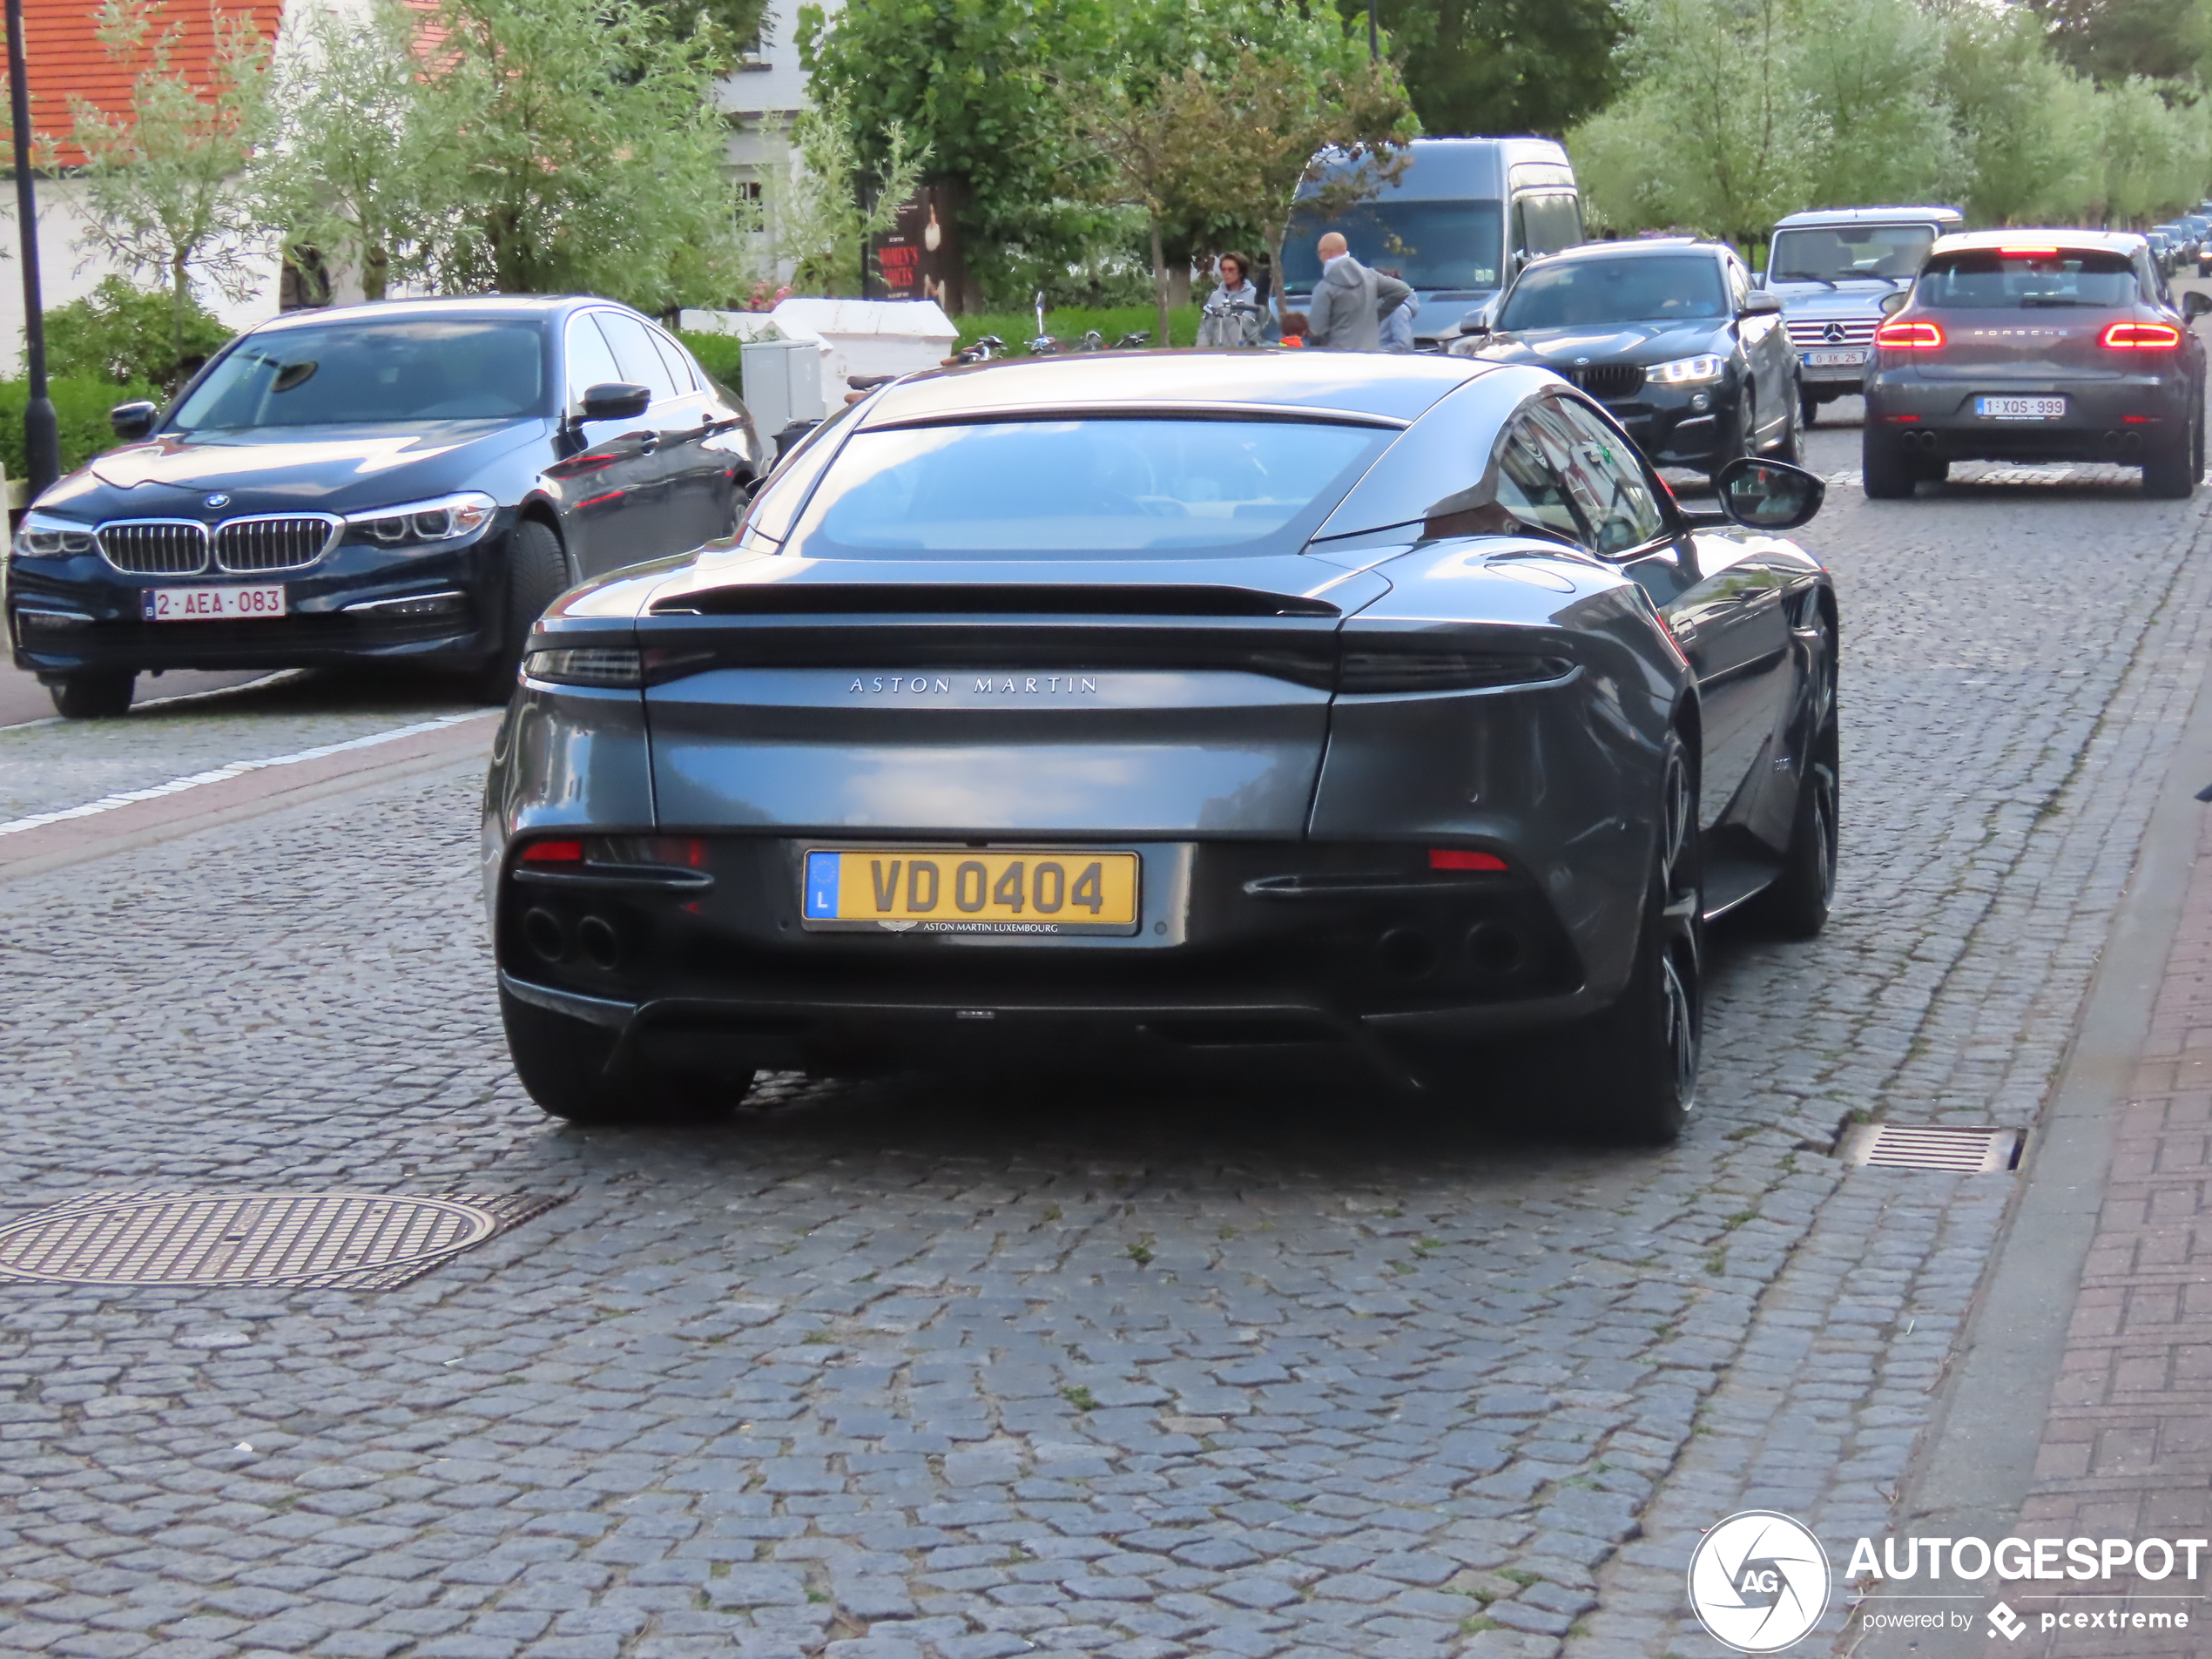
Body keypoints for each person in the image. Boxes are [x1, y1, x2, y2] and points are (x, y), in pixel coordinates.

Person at [1304, 232, 1413, 352]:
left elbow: (1317, 330)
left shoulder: (1325, 287)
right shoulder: (1371, 277)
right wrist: (1377, 315)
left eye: (1320, 252)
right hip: (1369, 354)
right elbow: (1403, 290)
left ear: (1329, 252)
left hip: (1337, 357)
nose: (1320, 257)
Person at [1196, 252, 1269, 347]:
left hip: (1248, 354)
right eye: (1223, 269)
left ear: (1241, 272)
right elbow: (1206, 328)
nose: (1226, 273)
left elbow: (1265, 326)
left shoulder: (1255, 295)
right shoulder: (1216, 296)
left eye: (1231, 270)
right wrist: (1201, 350)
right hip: (1220, 354)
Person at [1379, 287, 1420, 354]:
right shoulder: (1389, 308)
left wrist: (1377, 351)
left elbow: (1403, 344)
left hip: (1391, 360)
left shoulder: (1399, 310)